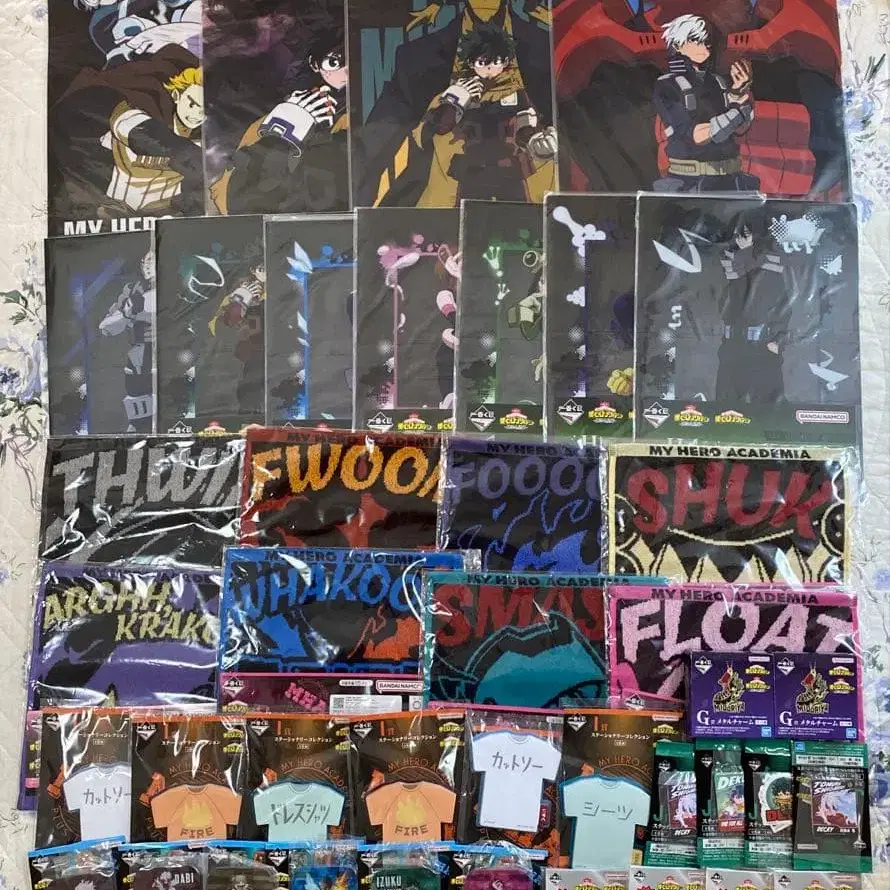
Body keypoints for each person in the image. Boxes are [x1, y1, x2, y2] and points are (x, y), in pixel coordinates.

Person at [210, 7, 349, 214]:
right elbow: (232, 199)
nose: (347, 71)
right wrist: (285, 132)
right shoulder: (279, 113)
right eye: (335, 61)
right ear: (315, 64)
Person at [412, 21, 556, 204]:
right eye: (483, 62)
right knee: (467, 215)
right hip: (470, 171)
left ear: (506, 62)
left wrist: (537, 142)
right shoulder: (457, 92)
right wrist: (454, 102)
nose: (489, 68)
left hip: (509, 170)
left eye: (496, 62)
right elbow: (435, 129)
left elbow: (525, 126)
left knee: (517, 216)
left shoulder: (516, 93)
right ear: (471, 62)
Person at [653, 14, 759, 192]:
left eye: (706, 41)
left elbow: (740, 130)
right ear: (678, 45)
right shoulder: (667, 86)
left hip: (731, 181)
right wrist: (739, 111)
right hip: (690, 184)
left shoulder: (718, 82)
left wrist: (739, 92)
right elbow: (695, 136)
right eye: (696, 40)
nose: (704, 46)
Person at [101, 63, 204, 214]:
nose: (197, 115)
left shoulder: (205, 138)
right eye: (192, 104)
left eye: (204, 110)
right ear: (177, 96)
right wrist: (188, 152)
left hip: (166, 211)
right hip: (117, 208)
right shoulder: (136, 110)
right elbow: (135, 129)